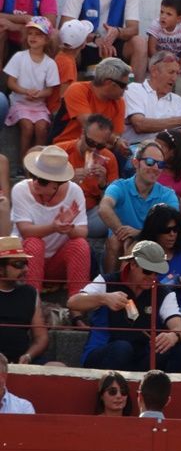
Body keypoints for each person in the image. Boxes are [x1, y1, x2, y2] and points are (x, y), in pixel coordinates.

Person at [67, 240, 181, 373]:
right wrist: (104, 298)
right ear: (133, 264)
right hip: (106, 350)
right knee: (122, 348)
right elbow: (73, 302)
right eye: (147, 271)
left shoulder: (163, 292)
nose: (152, 277)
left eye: (157, 273)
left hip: (142, 356)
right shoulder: (107, 282)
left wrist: (174, 335)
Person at [12, 146, 90, 297]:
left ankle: (78, 303)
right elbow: (25, 231)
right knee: (34, 243)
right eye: (33, 176)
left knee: (80, 245)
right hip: (24, 262)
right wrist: (54, 227)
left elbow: (83, 232)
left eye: (42, 180)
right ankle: (32, 302)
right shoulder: (21, 189)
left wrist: (69, 228)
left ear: (58, 184)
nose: (35, 182)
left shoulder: (74, 191)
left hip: (57, 263)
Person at [98, 141, 179, 275]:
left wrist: (139, 233)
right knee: (115, 241)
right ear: (135, 163)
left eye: (160, 164)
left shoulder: (167, 194)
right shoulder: (120, 186)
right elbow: (104, 208)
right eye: (149, 162)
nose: (155, 167)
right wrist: (124, 234)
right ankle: (110, 283)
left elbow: (173, 226)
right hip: (122, 244)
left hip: (153, 243)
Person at [55, 113, 119, 238]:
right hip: (59, 210)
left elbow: (111, 203)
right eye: (90, 142)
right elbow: (43, 190)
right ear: (82, 134)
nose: (94, 149)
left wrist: (103, 184)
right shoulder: (60, 152)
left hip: (88, 214)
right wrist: (67, 180)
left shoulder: (109, 158)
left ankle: (71, 231)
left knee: (112, 215)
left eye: (100, 146)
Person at [4, 17, 59, 161]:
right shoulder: (19, 57)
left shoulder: (50, 63)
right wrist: (25, 91)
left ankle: (37, 164)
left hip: (38, 105)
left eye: (38, 34)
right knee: (27, 127)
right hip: (19, 103)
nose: (33, 37)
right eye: (30, 33)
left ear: (46, 39)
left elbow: (50, 90)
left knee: (42, 129)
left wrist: (38, 94)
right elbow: (11, 83)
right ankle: (24, 162)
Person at [50, 57, 129, 150]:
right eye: (124, 85)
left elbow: (115, 136)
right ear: (108, 83)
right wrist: (115, 141)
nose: (126, 89)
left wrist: (115, 142)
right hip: (65, 148)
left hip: (98, 149)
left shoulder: (119, 102)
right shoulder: (77, 89)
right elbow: (90, 125)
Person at [137, 203, 181, 308]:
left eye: (175, 230)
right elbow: (131, 285)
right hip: (151, 308)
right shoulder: (140, 251)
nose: (172, 234)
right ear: (154, 231)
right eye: (166, 230)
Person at [122, 51, 181, 146]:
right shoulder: (134, 89)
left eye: (177, 73)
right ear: (154, 71)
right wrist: (180, 120)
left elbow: (178, 137)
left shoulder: (179, 101)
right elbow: (139, 125)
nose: (175, 78)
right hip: (135, 148)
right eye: (171, 72)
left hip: (167, 150)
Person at [0, 236, 47, 364]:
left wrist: (29, 355)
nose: (26, 269)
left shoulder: (30, 293)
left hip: (22, 361)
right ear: (0, 269)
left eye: (26, 263)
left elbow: (41, 337)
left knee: (58, 366)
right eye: (18, 265)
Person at [47, 19, 94, 115]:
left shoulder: (61, 56)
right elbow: (64, 96)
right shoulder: (67, 63)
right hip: (57, 111)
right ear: (83, 44)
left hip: (54, 107)